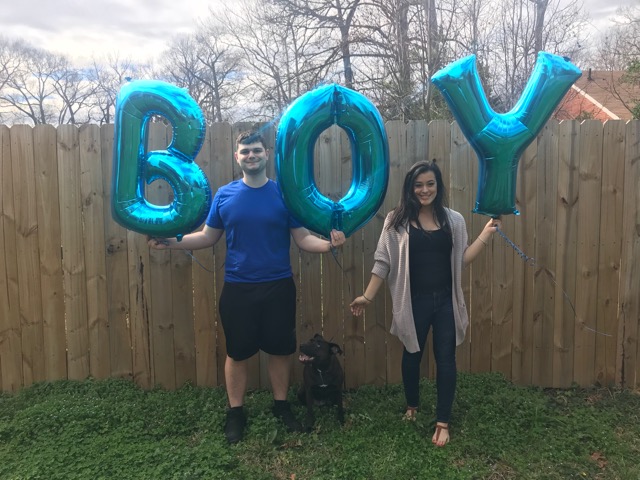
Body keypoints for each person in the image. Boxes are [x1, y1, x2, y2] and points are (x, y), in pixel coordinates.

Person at [149, 131, 346, 444]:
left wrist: (330, 245)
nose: (251, 156)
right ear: (237, 157)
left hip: (278, 287)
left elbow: (303, 239)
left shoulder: (285, 195)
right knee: (237, 353)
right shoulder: (225, 195)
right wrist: (171, 242)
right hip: (238, 289)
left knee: (280, 351)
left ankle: (281, 406)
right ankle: (236, 412)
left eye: (256, 150)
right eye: (245, 152)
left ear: (266, 154)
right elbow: (207, 236)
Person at [349, 160, 500, 447]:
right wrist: (367, 297)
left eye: (430, 184)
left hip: (445, 302)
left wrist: (486, 234)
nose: (424, 190)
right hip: (413, 302)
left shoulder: (454, 220)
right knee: (411, 354)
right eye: (418, 185)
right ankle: (412, 405)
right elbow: (383, 262)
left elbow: (462, 260)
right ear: (410, 188)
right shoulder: (396, 221)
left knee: (446, 359)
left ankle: (443, 421)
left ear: (438, 186)